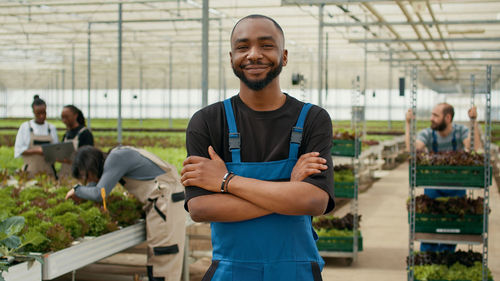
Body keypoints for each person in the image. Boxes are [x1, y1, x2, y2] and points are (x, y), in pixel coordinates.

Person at [181, 15, 335, 281]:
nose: (253, 55)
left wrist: (225, 181)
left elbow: (314, 201)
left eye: (266, 45)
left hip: (296, 272)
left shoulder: (313, 119)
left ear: (284, 56)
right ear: (232, 58)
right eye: (243, 47)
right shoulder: (207, 122)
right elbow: (201, 208)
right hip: (230, 271)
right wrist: (290, 190)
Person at [65, 146, 186, 281]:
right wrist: (87, 188)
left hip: (165, 202)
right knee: (159, 257)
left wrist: (77, 190)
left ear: (89, 165)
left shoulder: (116, 158)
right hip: (165, 200)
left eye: (85, 176)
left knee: (164, 256)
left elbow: (100, 193)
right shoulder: (118, 155)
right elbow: (99, 188)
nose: (87, 180)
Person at [405, 103, 481, 252]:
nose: (431, 118)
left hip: (456, 187)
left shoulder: (460, 131)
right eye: (432, 114)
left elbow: (474, 147)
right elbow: (412, 149)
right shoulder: (427, 133)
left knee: (451, 229)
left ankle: (446, 258)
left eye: (435, 115)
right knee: (431, 228)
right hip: (434, 187)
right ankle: (429, 259)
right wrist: (408, 124)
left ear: (448, 117)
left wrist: (473, 121)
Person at [14, 95, 59, 178]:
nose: (42, 116)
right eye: (38, 113)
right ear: (33, 112)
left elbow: (57, 149)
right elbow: (19, 150)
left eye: (44, 113)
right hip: (30, 171)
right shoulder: (25, 127)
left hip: (49, 171)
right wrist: (38, 151)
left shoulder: (51, 128)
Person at [58, 105, 94, 178]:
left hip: (79, 173)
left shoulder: (85, 133)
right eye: (62, 117)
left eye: (67, 117)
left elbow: (88, 157)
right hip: (65, 172)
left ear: (75, 116)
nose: (64, 120)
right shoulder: (66, 134)